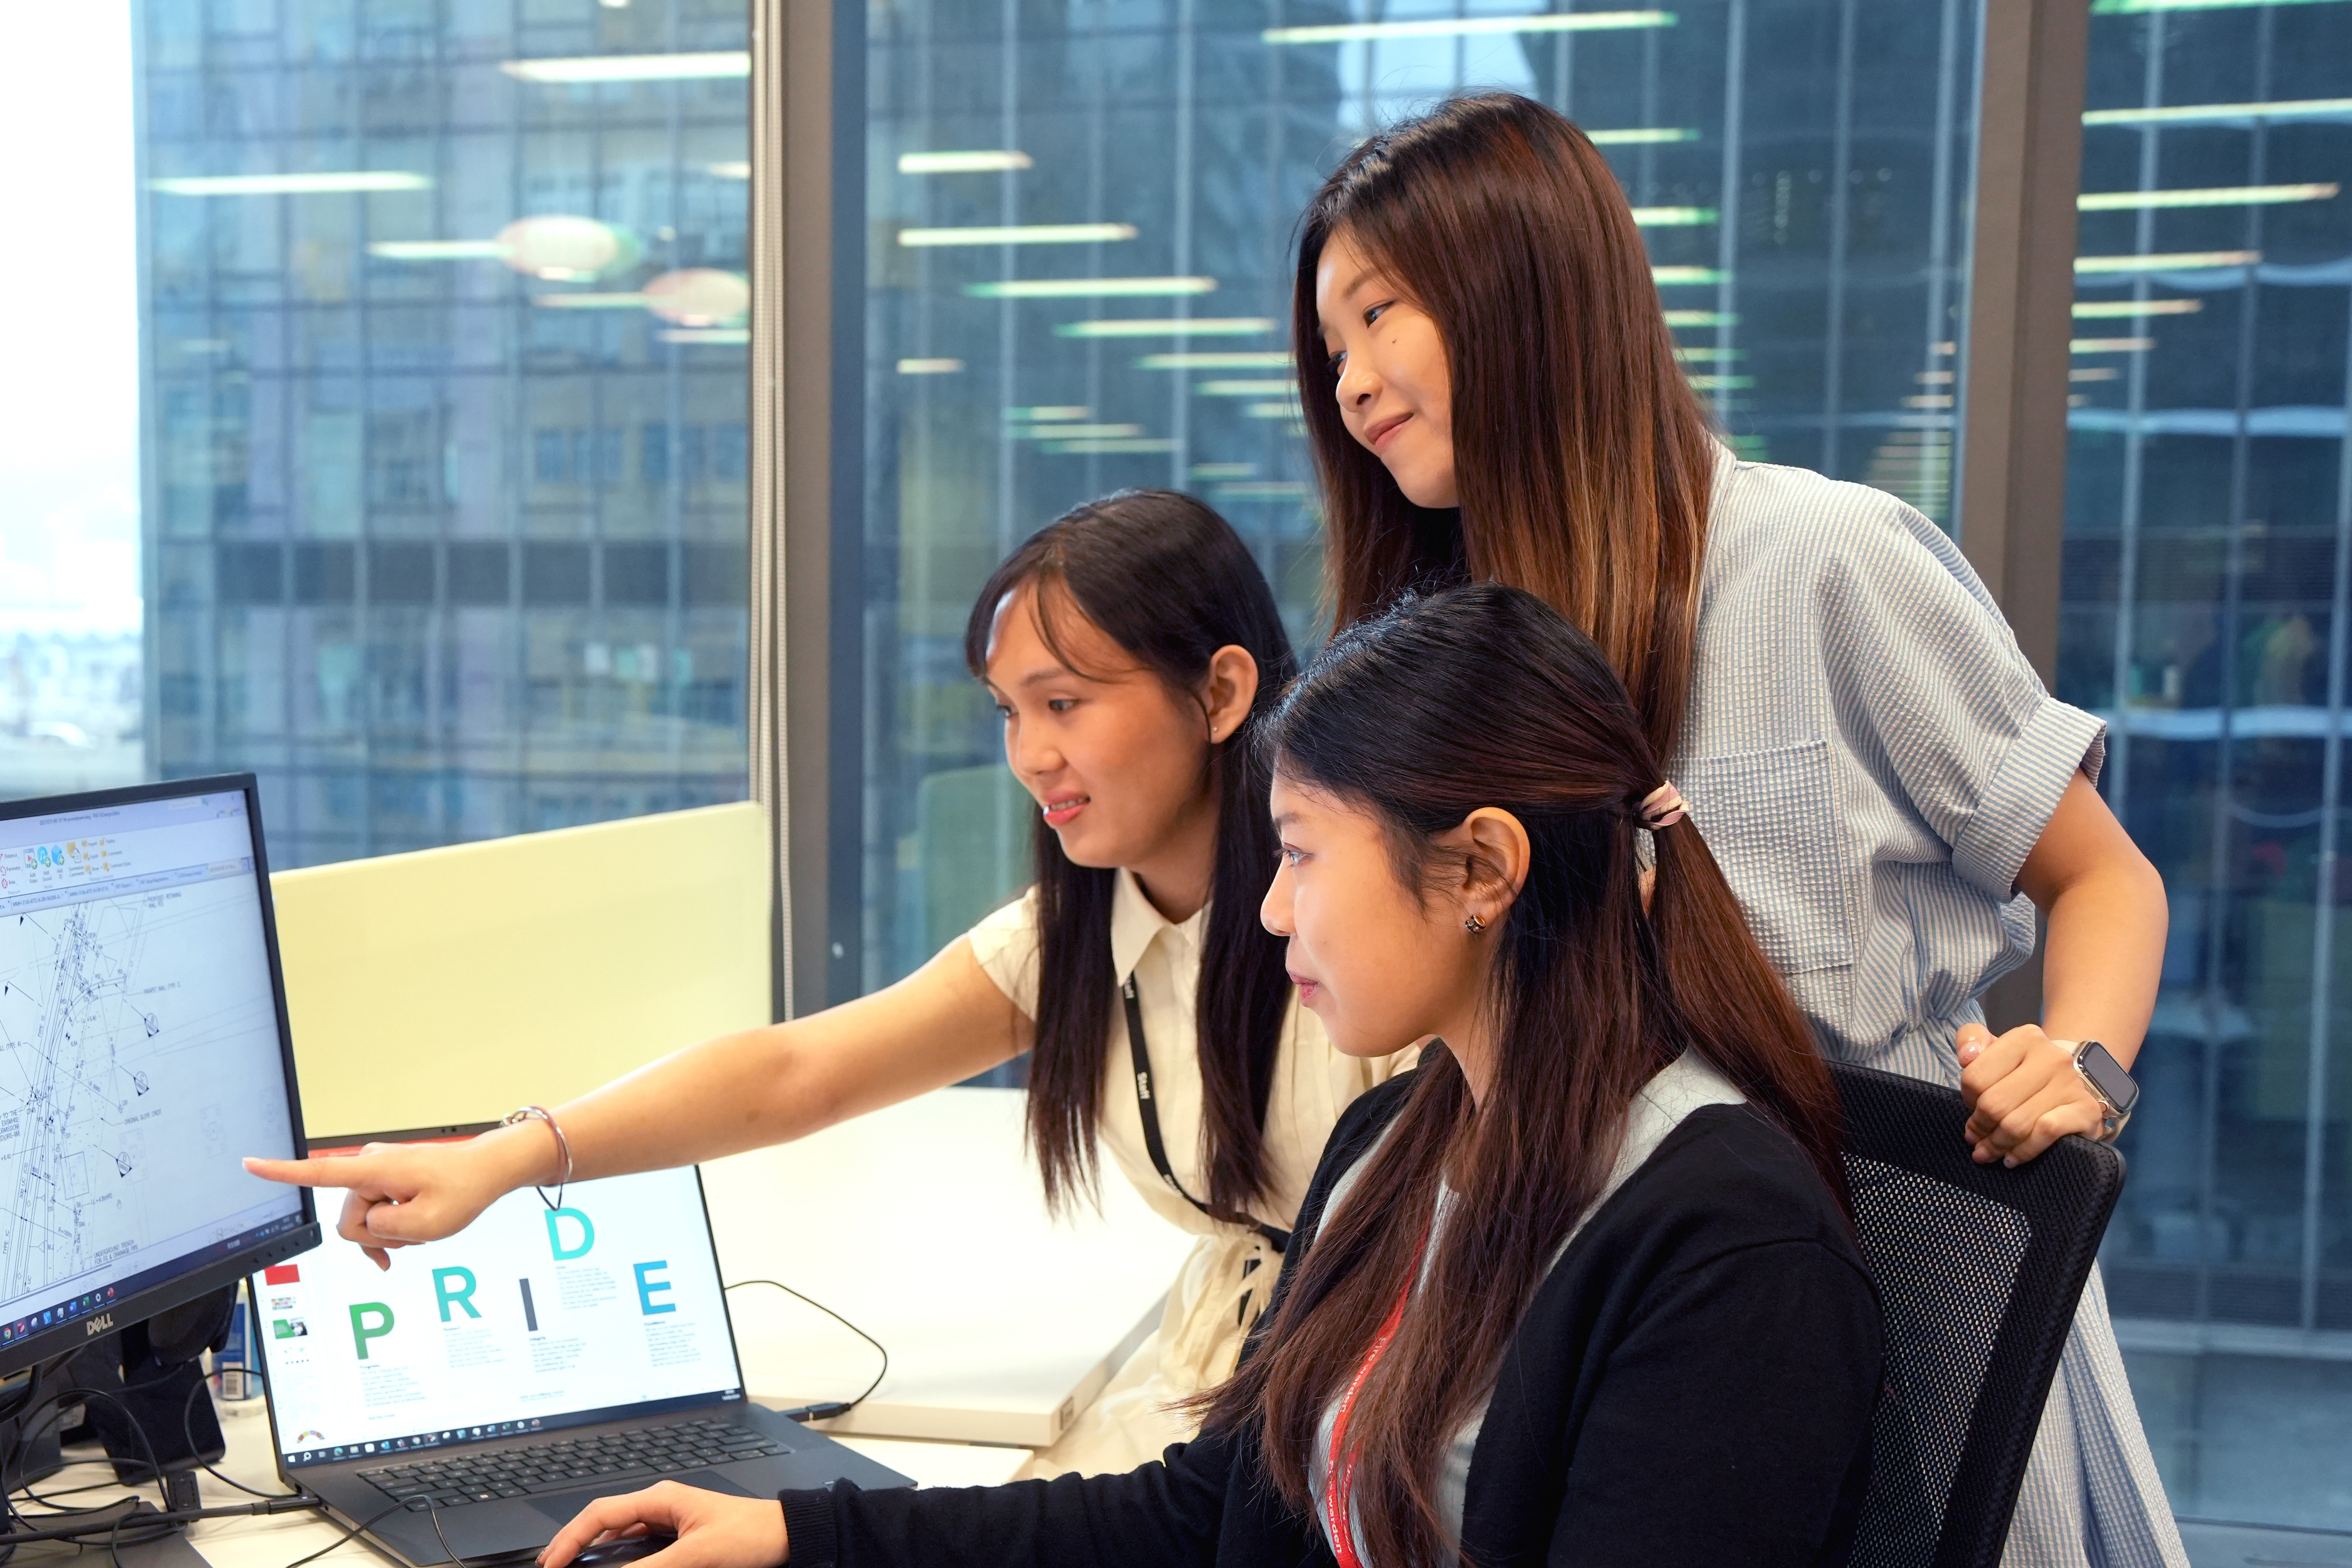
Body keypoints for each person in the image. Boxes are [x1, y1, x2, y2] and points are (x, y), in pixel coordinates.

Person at [536, 583, 1882, 1568]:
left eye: (1302, 854)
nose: (1274, 914)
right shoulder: (1399, 1143)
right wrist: (797, 1534)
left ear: (1479, 869)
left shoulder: (1727, 1247)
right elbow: (1209, 1511)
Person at [1292, 91, 2181, 1567]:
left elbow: (2106, 876)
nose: (1353, 384)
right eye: (1329, 349)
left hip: (1892, 1348)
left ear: (1523, 280)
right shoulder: (1463, 653)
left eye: (1380, 315)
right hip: (1613, 1347)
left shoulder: (1824, 560)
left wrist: (2078, 1060)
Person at [245, 490, 1413, 1479]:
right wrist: (501, 1160)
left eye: (1067, 703)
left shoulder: (1354, 914)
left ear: (1218, 693)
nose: (1031, 756)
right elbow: (800, 1072)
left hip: (1373, 1390)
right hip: (1225, 1381)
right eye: (1011, 714)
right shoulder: (1077, 933)